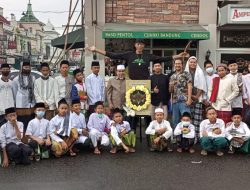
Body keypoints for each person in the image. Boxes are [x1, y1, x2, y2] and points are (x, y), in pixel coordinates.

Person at [87, 39, 188, 80]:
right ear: (135, 45)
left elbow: (163, 58)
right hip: (132, 82)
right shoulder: (129, 55)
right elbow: (113, 55)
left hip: (145, 82)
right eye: (138, 44)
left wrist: (178, 56)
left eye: (142, 44)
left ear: (144, 46)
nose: (140, 46)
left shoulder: (147, 56)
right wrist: (96, 50)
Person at [185, 56, 207, 140]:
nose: (193, 63)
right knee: (188, 117)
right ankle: (188, 136)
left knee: (197, 119)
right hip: (188, 98)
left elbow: (202, 85)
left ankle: (196, 137)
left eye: (194, 62)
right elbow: (183, 86)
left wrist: (196, 96)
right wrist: (190, 97)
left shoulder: (200, 72)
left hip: (198, 98)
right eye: (191, 62)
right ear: (188, 63)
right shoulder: (185, 72)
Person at [169, 58, 192, 129]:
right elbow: (170, 91)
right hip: (175, 101)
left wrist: (189, 99)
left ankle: (186, 137)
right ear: (174, 65)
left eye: (179, 63)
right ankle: (177, 137)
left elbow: (190, 87)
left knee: (186, 119)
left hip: (184, 101)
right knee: (175, 121)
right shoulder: (172, 76)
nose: (177, 65)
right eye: (176, 64)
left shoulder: (187, 74)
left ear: (182, 65)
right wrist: (171, 86)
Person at [12, 61, 36, 130]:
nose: (27, 69)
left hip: (31, 105)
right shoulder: (16, 79)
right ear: (22, 68)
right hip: (20, 106)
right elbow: (14, 93)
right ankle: (22, 139)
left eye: (28, 67)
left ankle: (29, 139)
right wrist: (14, 106)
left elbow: (34, 90)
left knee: (30, 124)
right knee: (21, 125)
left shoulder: (33, 78)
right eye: (25, 67)